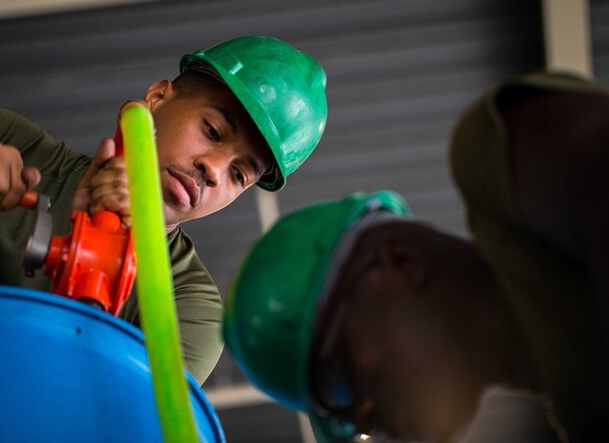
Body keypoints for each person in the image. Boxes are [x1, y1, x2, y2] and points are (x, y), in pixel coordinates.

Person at [0, 35, 328, 385]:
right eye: (213, 131)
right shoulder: (1, 139)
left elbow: (101, 423)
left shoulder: (189, 308)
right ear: (157, 98)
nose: (214, 171)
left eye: (239, 175)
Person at [223, 71, 609, 442]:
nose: (365, 419)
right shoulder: (584, 417)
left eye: (338, 385)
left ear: (400, 262)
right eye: (341, 421)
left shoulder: (493, 160)